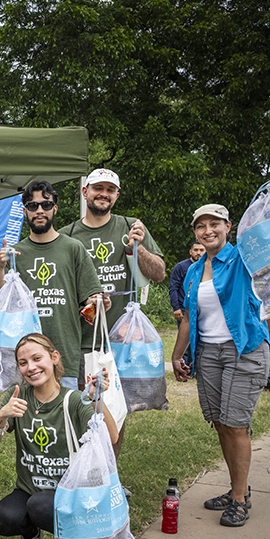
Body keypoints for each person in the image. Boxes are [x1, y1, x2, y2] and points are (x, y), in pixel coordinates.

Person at [171, 203, 270, 528]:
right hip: (209, 353)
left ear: (228, 226)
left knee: (236, 424)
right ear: (195, 232)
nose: (208, 230)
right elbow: (188, 316)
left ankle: (240, 498)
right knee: (220, 422)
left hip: (244, 349)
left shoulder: (243, 258)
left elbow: (265, 232)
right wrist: (177, 355)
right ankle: (235, 489)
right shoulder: (196, 269)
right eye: (201, 226)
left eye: (215, 224)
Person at [58, 169, 165, 465]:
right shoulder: (67, 235)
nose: (103, 194)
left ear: (117, 195)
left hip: (121, 339)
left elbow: (157, 274)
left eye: (110, 189)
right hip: (80, 338)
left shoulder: (131, 227)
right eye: (97, 188)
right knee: (82, 407)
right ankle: (82, 469)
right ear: (85, 192)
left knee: (115, 409)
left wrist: (137, 246)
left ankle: (110, 474)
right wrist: (89, 301)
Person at [0, 333, 117, 539]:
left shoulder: (74, 400)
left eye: (37, 358)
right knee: (4, 518)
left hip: (70, 491)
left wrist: (97, 401)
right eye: (23, 362)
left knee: (39, 505)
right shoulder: (18, 395)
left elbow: (112, 436)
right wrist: (2, 415)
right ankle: (30, 535)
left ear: (54, 357)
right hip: (29, 489)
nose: (31, 367)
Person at [0, 180, 106, 390]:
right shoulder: (15, 253)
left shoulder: (73, 248)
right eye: (33, 206)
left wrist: (96, 301)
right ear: (25, 211)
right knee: (30, 419)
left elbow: (91, 296)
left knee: (66, 417)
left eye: (46, 204)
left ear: (55, 208)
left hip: (65, 355)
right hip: (26, 359)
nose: (39, 210)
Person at [169, 241, 206, 376]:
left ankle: (196, 368)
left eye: (201, 250)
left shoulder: (208, 266)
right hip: (184, 308)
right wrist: (176, 307)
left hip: (201, 309)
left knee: (199, 339)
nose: (198, 253)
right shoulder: (182, 267)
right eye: (196, 250)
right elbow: (173, 288)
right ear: (190, 251)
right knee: (185, 338)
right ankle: (183, 368)